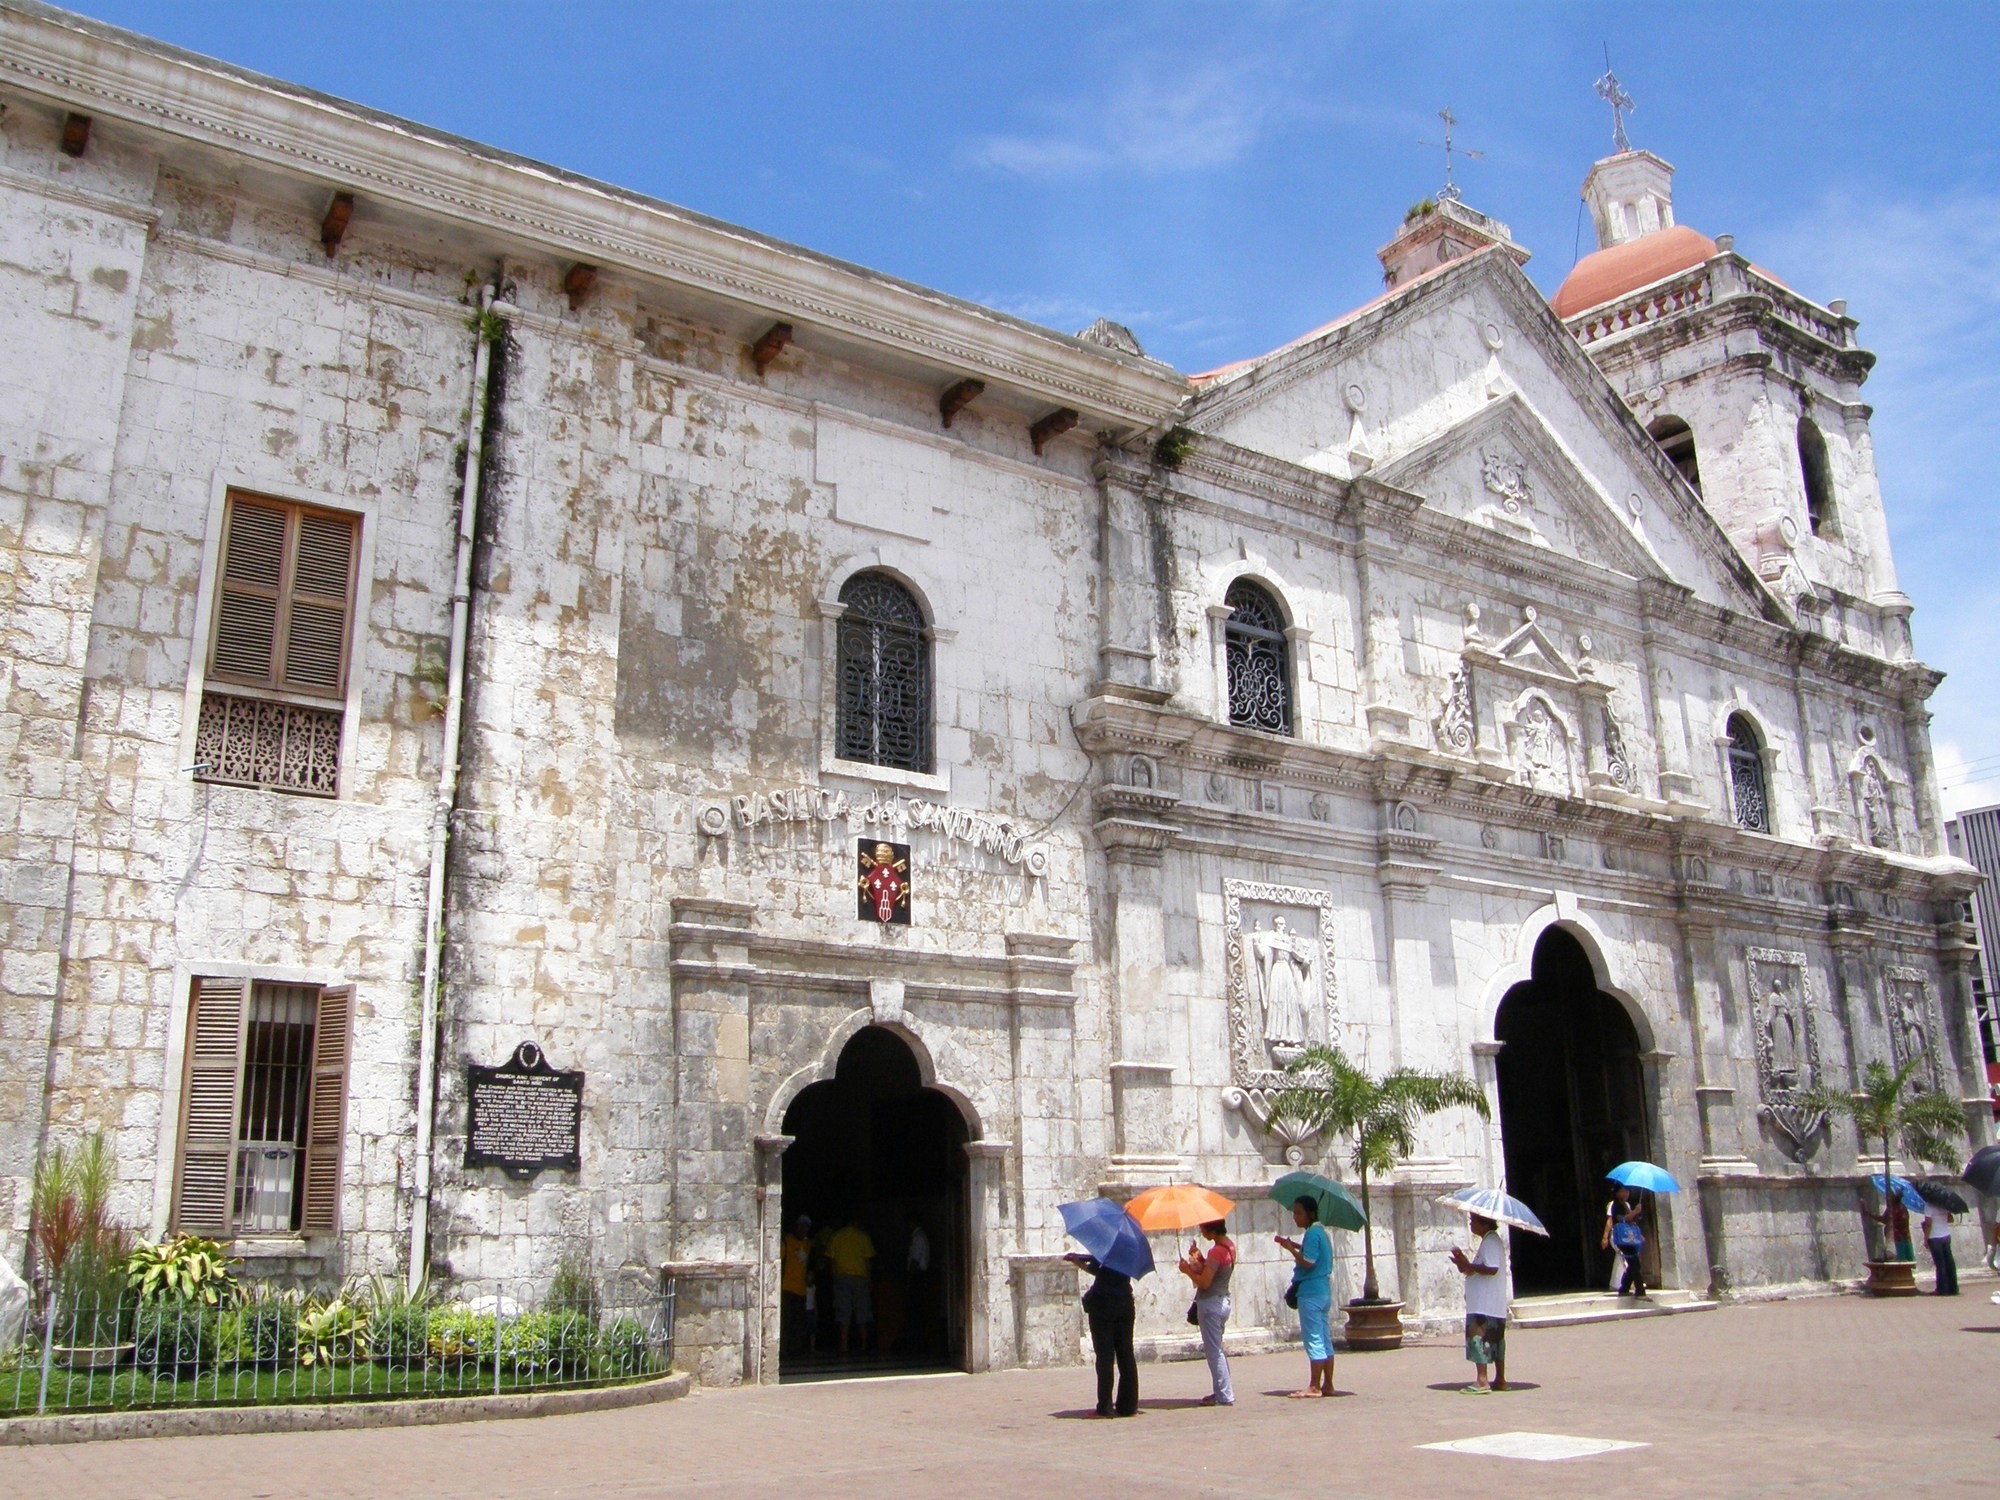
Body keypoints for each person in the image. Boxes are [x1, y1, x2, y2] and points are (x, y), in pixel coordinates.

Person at [1065, 1249, 1137, 1417]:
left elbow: (1097, 1269)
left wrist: (1078, 1262)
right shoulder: (1131, 1246)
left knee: (1105, 1356)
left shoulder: (1107, 1243)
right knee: (1126, 1354)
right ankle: (1128, 1405)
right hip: (1125, 1301)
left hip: (1104, 1304)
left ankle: (1105, 1405)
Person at [1274, 1197, 1334, 1399]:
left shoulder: (1313, 1233)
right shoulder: (1320, 1233)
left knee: (1314, 1339)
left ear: (1310, 1214)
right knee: (1325, 1338)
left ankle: (1315, 1385)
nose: (1295, 1217)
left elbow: (1308, 1262)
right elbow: (1313, 1255)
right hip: (1323, 1291)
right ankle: (1328, 1383)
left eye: (1299, 1213)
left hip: (1311, 1292)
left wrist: (1291, 1250)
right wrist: (1295, 1246)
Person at [1178, 1219, 1235, 1407]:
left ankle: (1224, 1394)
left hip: (1211, 1303)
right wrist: (1200, 1260)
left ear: (1212, 1229)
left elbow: (1204, 1283)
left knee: (1214, 1351)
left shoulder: (1216, 1251)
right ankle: (1221, 1390)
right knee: (1217, 1348)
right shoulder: (1229, 1247)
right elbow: (1212, 1270)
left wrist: (1187, 1270)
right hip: (1223, 1299)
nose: (1201, 1232)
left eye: (1203, 1228)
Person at [1450, 1212, 1509, 1393]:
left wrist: (1469, 1266)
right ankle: (1499, 1379)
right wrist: (1465, 1264)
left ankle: (1482, 1380)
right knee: (1496, 1341)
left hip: (1484, 1305)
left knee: (1479, 1339)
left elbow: (1491, 1269)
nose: (1470, 1224)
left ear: (1484, 1223)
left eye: (1473, 1221)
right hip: (1492, 1303)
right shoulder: (1491, 1241)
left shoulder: (1490, 1242)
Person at [825, 1212, 876, 1355]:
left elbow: (831, 1260)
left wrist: (834, 1278)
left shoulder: (837, 1237)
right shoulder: (863, 1237)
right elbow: (868, 1261)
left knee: (843, 1312)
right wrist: (870, 1280)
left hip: (842, 1278)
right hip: (860, 1278)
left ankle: (844, 1345)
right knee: (863, 1311)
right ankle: (864, 1345)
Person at [780, 1214, 816, 1356]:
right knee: (786, 1319)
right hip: (787, 1286)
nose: (803, 1229)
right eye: (801, 1226)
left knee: (798, 1320)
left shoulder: (808, 1244)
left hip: (801, 1288)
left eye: (806, 1227)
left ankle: (796, 1348)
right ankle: (783, 1347)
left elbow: (811, 1264)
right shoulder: (787, 1241)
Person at [1601, 1186, 1646, 1297]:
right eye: (1622, 1191)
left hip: (1630, 1237)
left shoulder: (1626, 1205)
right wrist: (1635, 1211)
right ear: (1616, 1193)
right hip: (1622, 1238)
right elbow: (1622, 1219)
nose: (1625, 1193)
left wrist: (1639, 1234)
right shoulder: (1616, 1205)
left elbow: (1632, 1222)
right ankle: (1640, 1292)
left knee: (1633, 1263)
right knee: (1634, 1263)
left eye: (1627, 1191)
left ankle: (1624, 1287)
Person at [1921, 1199, 1959, 1296]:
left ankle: (1942, 1289)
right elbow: (1951, 1219)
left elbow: (1928, 1223)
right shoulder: (1944, 1204)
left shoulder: (1929, 1206)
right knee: (1949, 1262)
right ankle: (1953, 1288)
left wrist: (1925, 1238)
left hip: (1934, 1237)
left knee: (1940, 1264)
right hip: (1945, 1235)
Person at [1868, 1193, 1915, 1262]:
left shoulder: (1902, 1208)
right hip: (1892, 1237)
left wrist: (1891, 1222)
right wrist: (1870, 1215)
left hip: (1901, 1237)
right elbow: (1884, 1219)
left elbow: (1903, 1223)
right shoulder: (1890, 1209)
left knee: (1902, 1258)